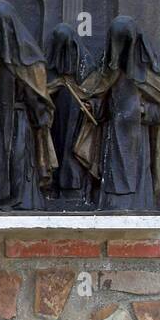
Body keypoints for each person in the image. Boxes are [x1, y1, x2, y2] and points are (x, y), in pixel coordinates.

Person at [79, 15, 160, 212]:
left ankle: (140, 203)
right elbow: (102, 102)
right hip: (112, 136)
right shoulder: (106, 73)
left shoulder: (148, 74)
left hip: (137, 141)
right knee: (113, 176)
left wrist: (143, 111)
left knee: (136, 178)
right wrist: (93, 109)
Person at [0, 0, 56, 211]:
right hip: (0, 120)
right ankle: (0, 197)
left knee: (19, 159)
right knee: (1, 156)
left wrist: (40, 115)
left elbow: (37, 96)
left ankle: (24, 199)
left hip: (20, 121)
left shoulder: (30, 60)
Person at [45, 23, 95, 207]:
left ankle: (77, 188)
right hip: (57, 118)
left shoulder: (86, 65)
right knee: (57, 149)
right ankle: (54, 186)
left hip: (78, 120)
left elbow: (92, 90)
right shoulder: (51, 68)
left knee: (73, 151)